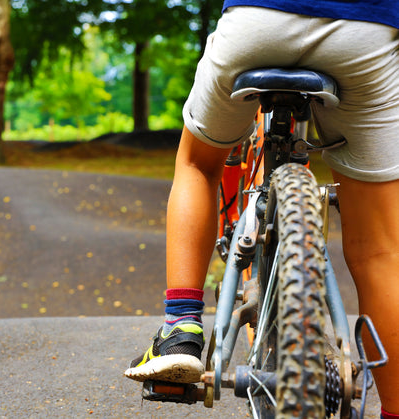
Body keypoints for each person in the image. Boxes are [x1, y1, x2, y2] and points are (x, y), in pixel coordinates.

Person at [123, 1, 399, 417]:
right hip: (365, 31)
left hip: (258, 21)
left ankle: (180, 327)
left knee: (197, 164)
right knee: (381, 249)